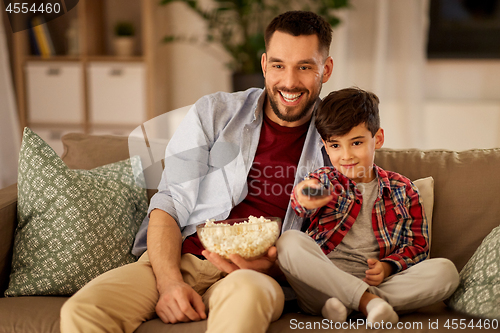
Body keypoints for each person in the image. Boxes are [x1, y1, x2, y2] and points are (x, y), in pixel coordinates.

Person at [60, 11, 334, 333]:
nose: (289, 82)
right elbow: (171, 202)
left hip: (252, 277)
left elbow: (334, 245)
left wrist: (275, 267)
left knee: (245, 301)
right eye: (278, 65)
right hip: (182, 257)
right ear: (263, 65)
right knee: (83, 311)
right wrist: (170, 283)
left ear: (325, 70)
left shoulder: (339, 141)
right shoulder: (214, 113)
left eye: (304, 67)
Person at [276, 87, 460, 326]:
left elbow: (417, 246)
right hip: (321, 286)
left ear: (378, 139)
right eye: (335, 146)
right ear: (325, 146)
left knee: (446, 272)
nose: (346, 155)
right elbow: (305, 197)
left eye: (356, 143)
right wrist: (305, 197)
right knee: (288, 242)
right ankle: (367, 304)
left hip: (374, 282)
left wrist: (387, 267)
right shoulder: (326, 180)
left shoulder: (402, 189)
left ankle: (352, 303)